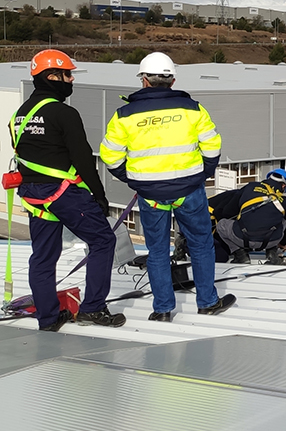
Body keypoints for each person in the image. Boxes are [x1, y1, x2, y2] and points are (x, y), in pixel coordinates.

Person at [100, 52, 235, 322]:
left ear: (144, 81)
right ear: (172, 80)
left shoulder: (124, 115)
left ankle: (162, 309)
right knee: (200, 245)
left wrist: (134, 178)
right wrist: (202, 174)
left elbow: (110, 156)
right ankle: (207, 301)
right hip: (189, 191)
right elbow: (212, 146)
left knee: (157, 251)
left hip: (150, 195)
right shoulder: (192, 109)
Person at [9, 49, 125, 331]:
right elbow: (82, 158)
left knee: (43, 256)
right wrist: (99, 195)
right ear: (52, 76)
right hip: (63, 194)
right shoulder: (64, 113)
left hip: (34, 195)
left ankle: (48, 318)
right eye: (67, 74)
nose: (71, 80)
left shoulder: (19, 116)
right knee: (102, 242)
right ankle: (93, 308)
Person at [209, 168, 286, 265]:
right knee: (281, 221)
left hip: (242, 239)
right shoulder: (285, 201)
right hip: (270, 242)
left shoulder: (250, 187)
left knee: (222, 224)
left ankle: (241, 255)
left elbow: (227, 213)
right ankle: (272, 253)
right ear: (283, 186)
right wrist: (281, 245)